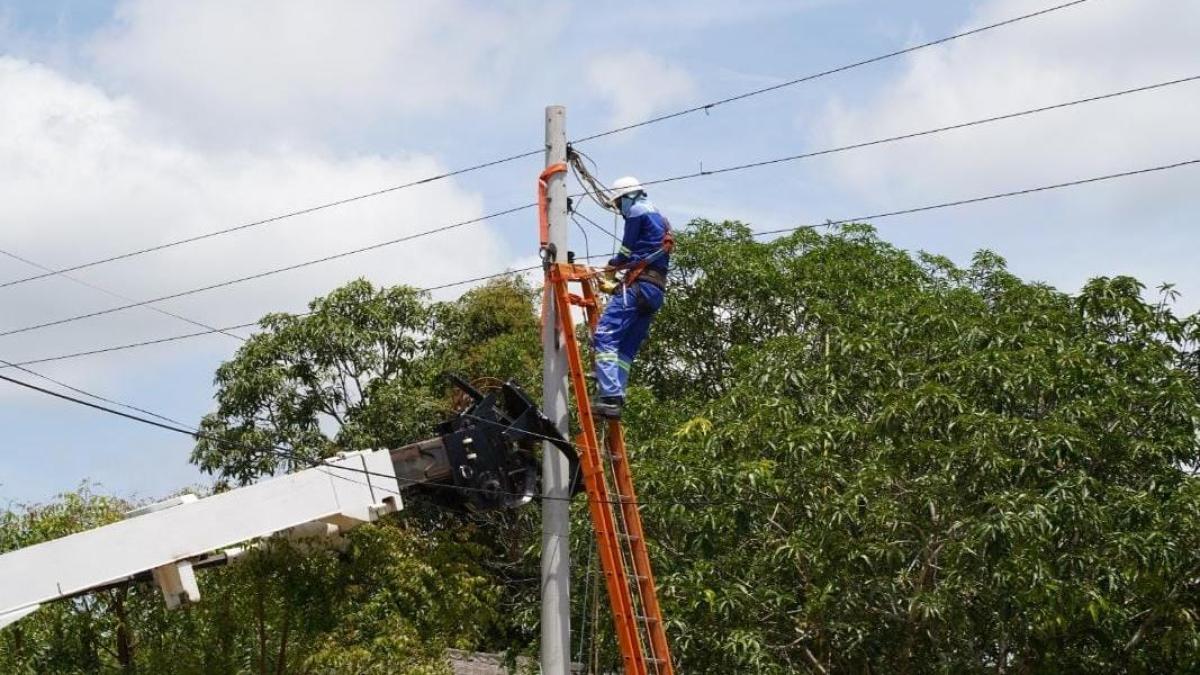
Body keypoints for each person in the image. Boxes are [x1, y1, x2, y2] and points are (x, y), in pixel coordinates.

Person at [592, 176, 672, 419]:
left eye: (618, 204)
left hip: (639, 286)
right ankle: (616, 396)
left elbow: (626, 252)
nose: (619, 209)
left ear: (627, 197)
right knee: (626, 348)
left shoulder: (637, 211)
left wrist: (611, 266)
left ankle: (610, 394)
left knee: (605, 335)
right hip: (654, 290)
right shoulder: (660, 217)